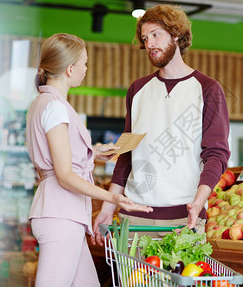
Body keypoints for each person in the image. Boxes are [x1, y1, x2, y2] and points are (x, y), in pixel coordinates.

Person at [92, 4, 230, 245]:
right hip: (133, 219)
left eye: (156, 35)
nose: (150, 44)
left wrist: (199, 203)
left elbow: (216, 154)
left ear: (176, 35)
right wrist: (107, 205)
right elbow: (126, 156)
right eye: (145, 38)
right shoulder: (137, 90)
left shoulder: (208, 89)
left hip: (185, 219)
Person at [26, 33, 152, 287]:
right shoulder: (56, 107)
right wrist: (111, 197)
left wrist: (93, 151)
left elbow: (57, 155)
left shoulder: (45, 102)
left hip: (62, 213)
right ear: (70, 69)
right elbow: (64, 174)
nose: (86, 69)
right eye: (84, 63)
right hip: (61, 214)